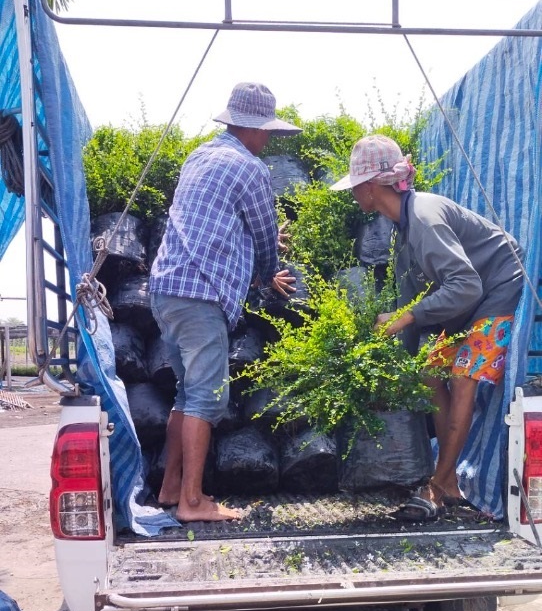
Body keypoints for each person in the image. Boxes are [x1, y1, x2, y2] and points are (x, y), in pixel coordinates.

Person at [331, 134, 525, 521]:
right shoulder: (401, 228)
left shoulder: (423, 216)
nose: (353, 193)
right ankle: (450, 480)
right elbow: (410, 304)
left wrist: (406, 316)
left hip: (498, 286)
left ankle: (438, 485)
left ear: (371, 186)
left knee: (463, 375)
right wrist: (397, 369)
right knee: (427, 372)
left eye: (355, 185)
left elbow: (466, 285)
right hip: (468, 302)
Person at [149, 81, 301, 522]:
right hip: (199, 295)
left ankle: (170, 486)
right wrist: (270, 272)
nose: (268, 139)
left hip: (166, 290)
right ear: (251, 128)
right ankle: (193, 503)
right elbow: (265, 233)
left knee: (185, 392)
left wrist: (254, 251)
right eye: (267, 131)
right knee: (206, 399)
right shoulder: (250, 168)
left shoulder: (199, 155)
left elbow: (219, 227)